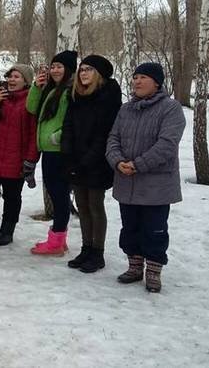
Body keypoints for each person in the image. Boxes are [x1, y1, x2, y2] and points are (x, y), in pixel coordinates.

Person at [106, 62, 184, 293]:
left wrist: (138, 164)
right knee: (130, 227)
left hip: (156, 185)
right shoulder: (126, 109)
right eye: (135, 77)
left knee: (155, 230)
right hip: (126, 180)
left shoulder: (171, 109)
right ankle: (134, 266)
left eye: (143, 77)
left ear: (157, 82)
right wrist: (117, 161)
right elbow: (113, 138)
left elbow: (167, 145)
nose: (137, 81)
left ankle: (153, 271)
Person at [61, 55, 122, 273]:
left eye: (89, 69)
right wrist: (67, 154)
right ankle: (86, 248)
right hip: (75, 159)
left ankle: (98, 251)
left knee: (95, 205)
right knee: (82, 205)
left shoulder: (108, 97)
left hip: (97, 161)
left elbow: (104, 133)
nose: (83, 73)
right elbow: (67, 125)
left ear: (99, 74)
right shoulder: (76, 94)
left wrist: (86, 160)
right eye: (82, 69)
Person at [0, 64, 38, 247]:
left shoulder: (30, 101)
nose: (12, 80)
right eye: (10, 76)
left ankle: (6, 232)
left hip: (15, 160)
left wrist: (31, 159)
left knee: (12, 198)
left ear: (26, 81)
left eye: (17, 77)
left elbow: (34, 133)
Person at [27, 50, 76, 256]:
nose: (55, 70)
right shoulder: (52, 89)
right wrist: (36, 88)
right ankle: (59, 239)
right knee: (57, 195)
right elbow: (31, 108)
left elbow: (74, 121)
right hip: (48, 150)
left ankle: (56, 241)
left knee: (60, 196)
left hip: (59, 151)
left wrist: (57, 137)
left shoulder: (70, 91)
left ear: (68, 69)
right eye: (53, 66)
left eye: (59, 67)